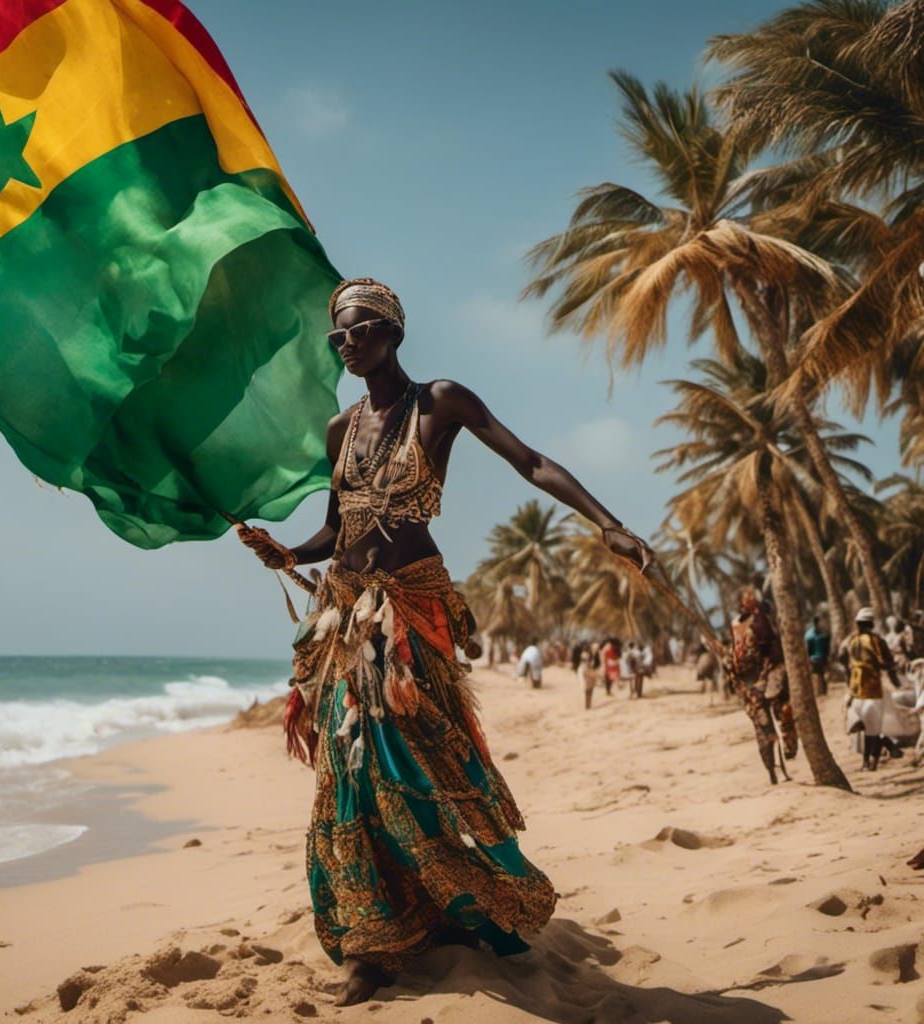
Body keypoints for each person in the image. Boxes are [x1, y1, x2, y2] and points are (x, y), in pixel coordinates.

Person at [240, 277, 653, 1005]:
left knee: (423, 762)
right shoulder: (341, 430)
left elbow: (529, 461)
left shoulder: (440, 402)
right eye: (338, 334)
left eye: (360, 328)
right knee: (348, 769)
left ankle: (449, 908)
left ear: (393, 330)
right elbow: (339, 531)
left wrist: (606, 521)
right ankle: (370, 947)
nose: (347, 342)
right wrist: (288, 555)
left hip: (412, 614)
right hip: (345, 617)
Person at [726, 589, 798, 784]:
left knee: (764, 728)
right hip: (765, 678)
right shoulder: (760, 621)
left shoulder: (737, 624)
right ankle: (781, 764)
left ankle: (773, 772)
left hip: (748, 684)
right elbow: (772, 648)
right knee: (780, 717)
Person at [839, 607, 902, 771]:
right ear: (871, 624)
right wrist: (890, 672)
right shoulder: (876, 640)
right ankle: (874, 758)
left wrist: (850, 670)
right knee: (873, 730)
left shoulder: (850, 640)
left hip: (855, 689)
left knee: (865, 727)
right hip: (872, 688)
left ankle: (868, 760)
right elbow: (888, 661)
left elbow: (840, 656)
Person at [804, 615, 831, 698]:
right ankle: (818, 693)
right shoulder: (810, 636)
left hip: (821, 658)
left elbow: (826, 648)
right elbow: (808, 649)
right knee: (817, 676)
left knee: (823, 675)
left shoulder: (822, 634)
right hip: (814, 659)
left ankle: (823, 693)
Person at [577, 640, 601, 709]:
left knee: (589, 688)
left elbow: (596, 663)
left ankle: (588, 704)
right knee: (588, 688)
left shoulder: (593, 654)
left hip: (589, 671)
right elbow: (585, 663)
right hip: (586, 671)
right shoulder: (585, 654)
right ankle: (588, 704)